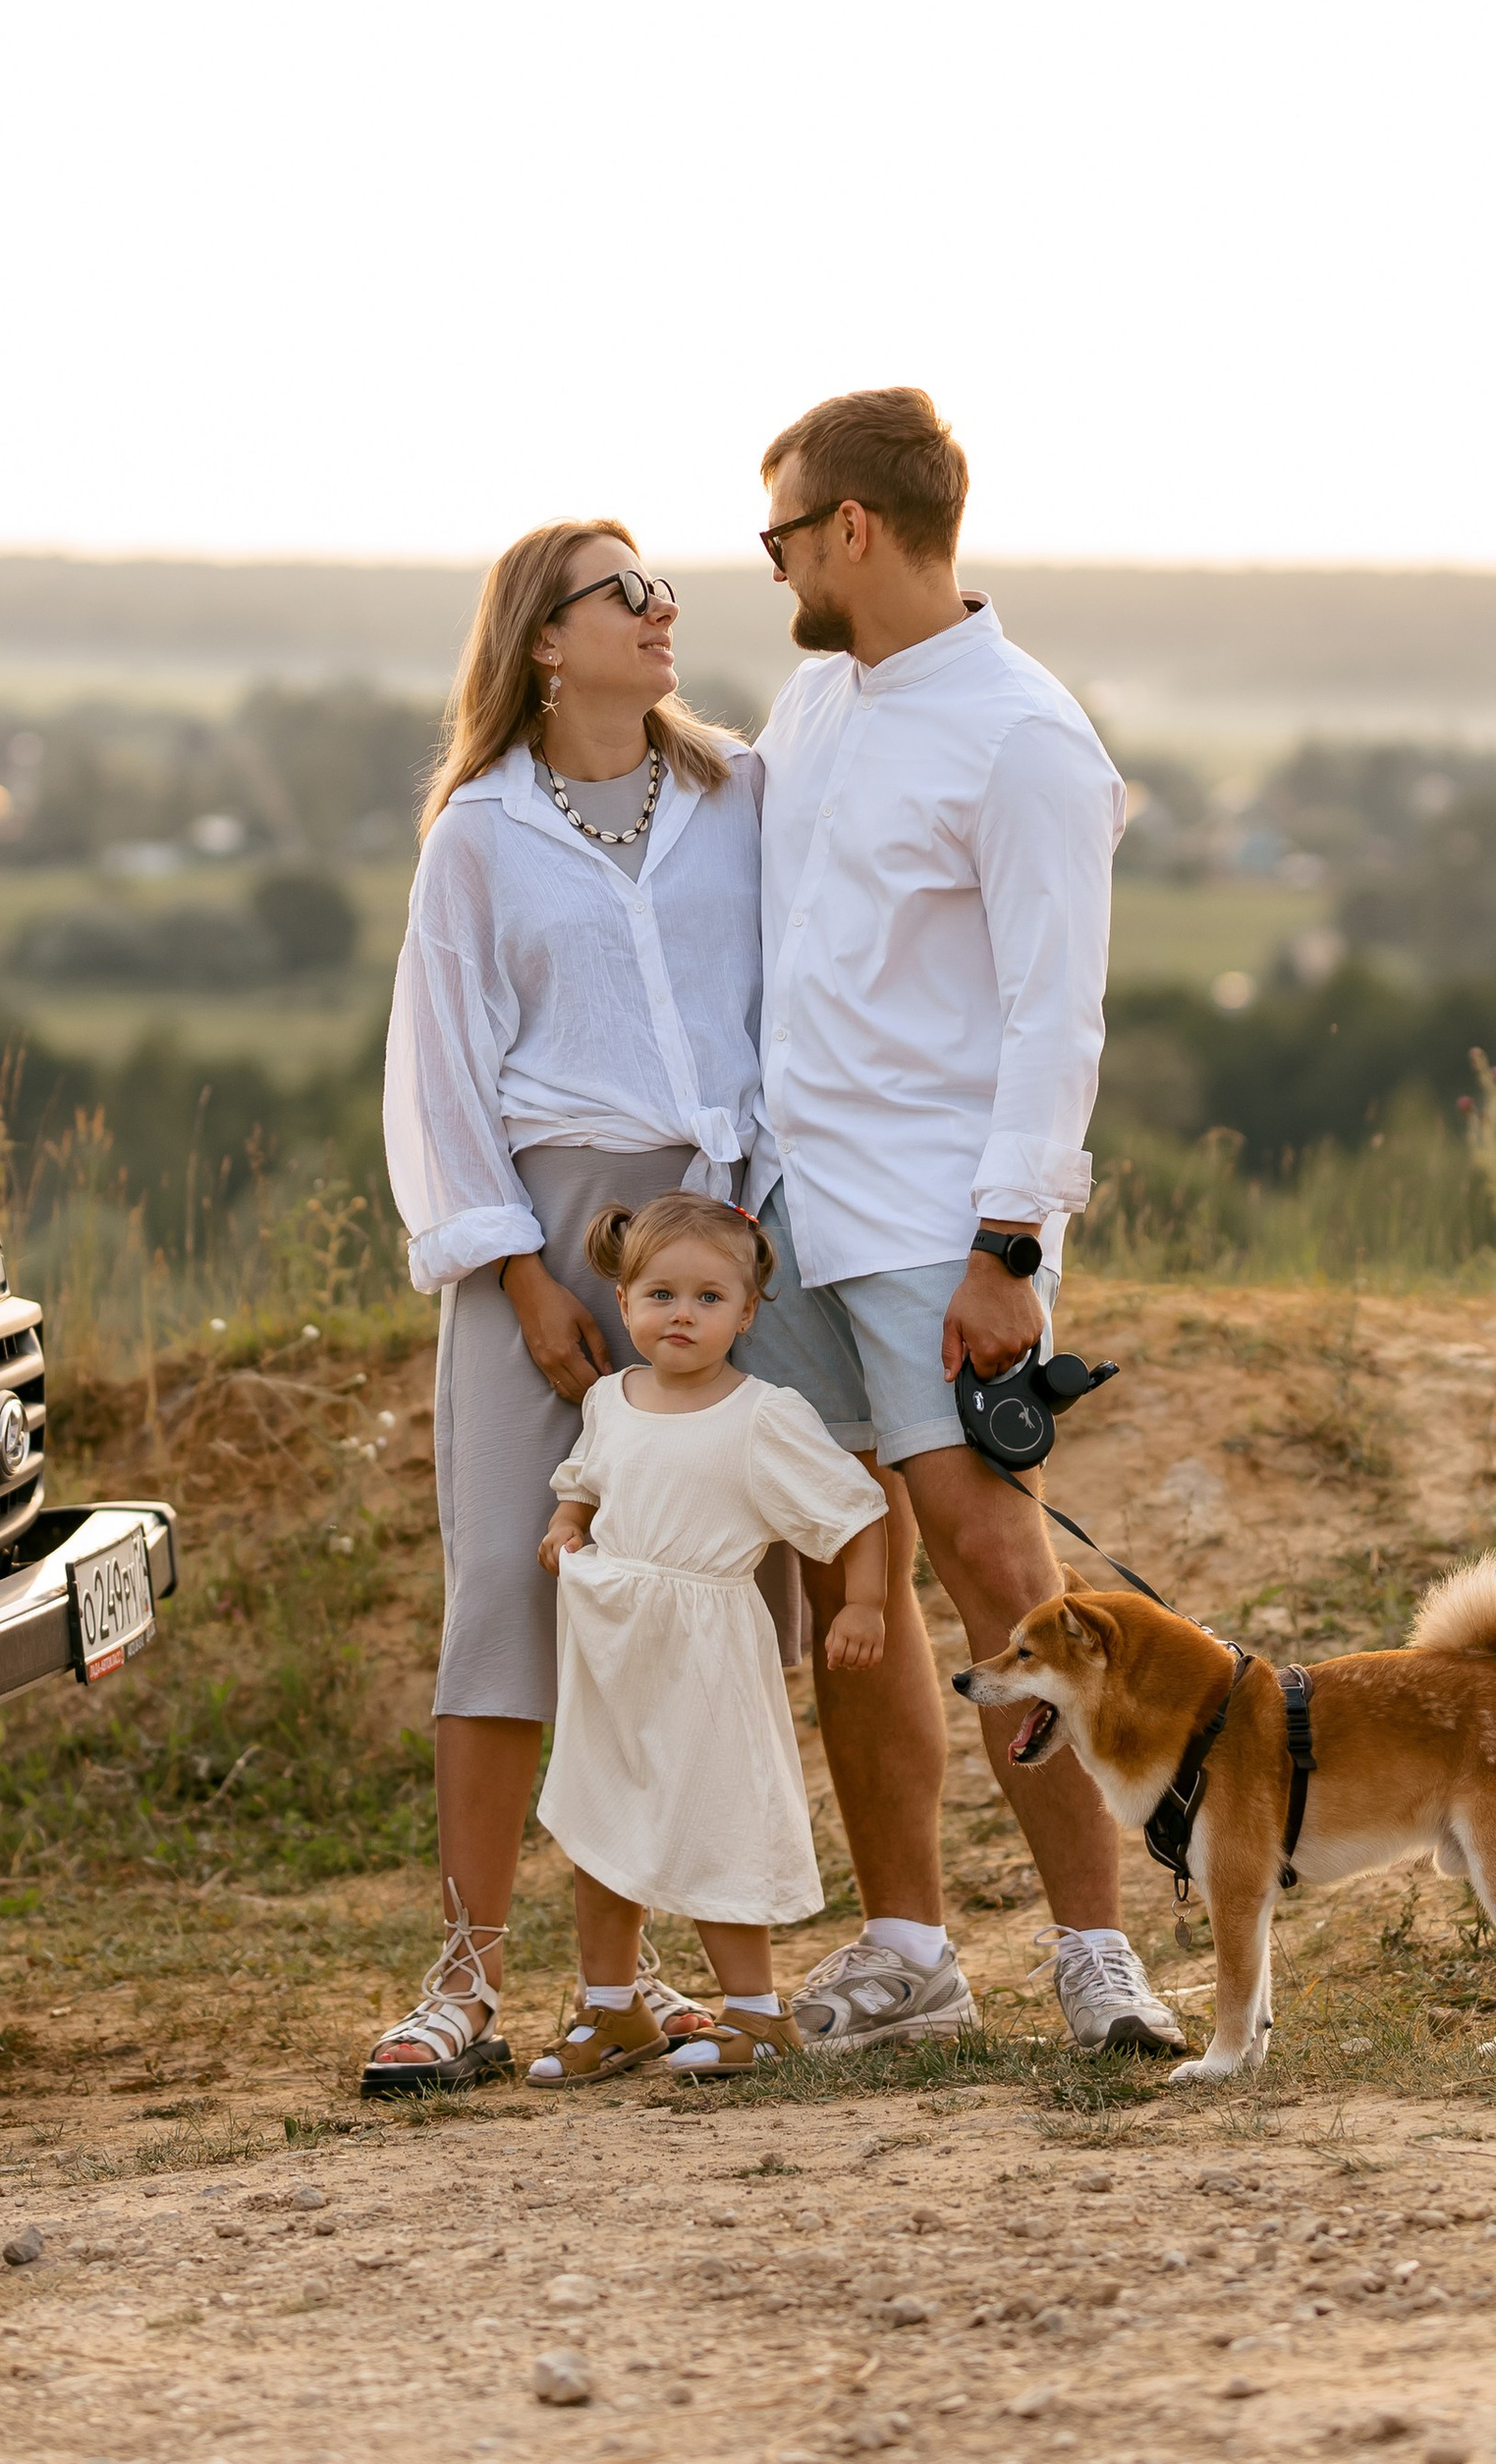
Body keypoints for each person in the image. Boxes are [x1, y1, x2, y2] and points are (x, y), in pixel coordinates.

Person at [744, 385, 1189, 2058]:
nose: (774, 565)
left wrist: (1010, 1251)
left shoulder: (1025, 737)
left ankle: (1097, 1955)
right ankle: (910, 1952)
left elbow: (1054, 1014)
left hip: (941, 1221)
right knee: (844, 1579)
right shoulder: (811, 703)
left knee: (1002, 1573)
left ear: (853, 528)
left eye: (784, 532)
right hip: (788, 1209)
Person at [360, 521, 771, 2096]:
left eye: (664, 588)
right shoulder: (479, 832)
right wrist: (519, 1272)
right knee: (504, 1591)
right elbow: (441, 1067)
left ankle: (632, 1977)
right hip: (536, 1225)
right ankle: (465, 1982)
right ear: (545, 636)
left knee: (669, 1597)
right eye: (628, 592)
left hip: (716, 1232)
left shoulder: (740, 795)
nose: (665, 610)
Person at [525, 1192, 891, 2085]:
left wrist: (864, 1604)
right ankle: (612, 2008)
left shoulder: (762, 1414)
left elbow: (855, 1511)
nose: (681, 1315)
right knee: (604, 1818)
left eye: (708, 1298)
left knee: (717, 1814)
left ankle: (756, 2013)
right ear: (624, 1302)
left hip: (707, 1650)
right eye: (661, 1295)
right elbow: (585, 1482)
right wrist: (567, 1526)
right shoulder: (610, 1399)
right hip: (613, 1644)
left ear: (748, 1312)